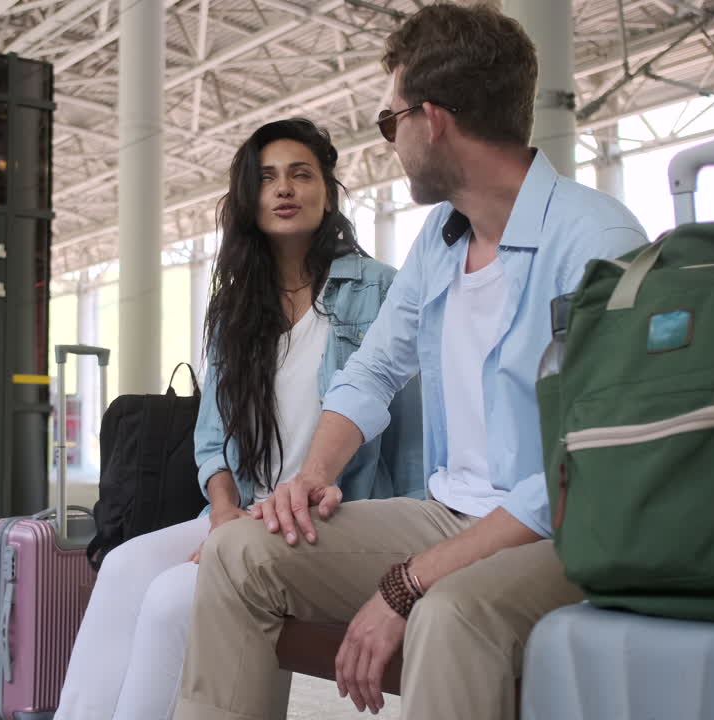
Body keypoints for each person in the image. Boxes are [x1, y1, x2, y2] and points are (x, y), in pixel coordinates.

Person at [173, 5, 650, 720]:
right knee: (240, 552)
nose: (390, 140)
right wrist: (311, 479)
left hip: (562, 530)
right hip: (448, 513)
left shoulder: (594, 240)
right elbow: (372, 371)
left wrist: (407, 583)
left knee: (447, 612)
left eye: (389, 121)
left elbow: (580, 473)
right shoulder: (441, 240)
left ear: (433, 120)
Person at [54, 118, 424, 720]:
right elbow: (211, 440)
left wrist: (408, 560)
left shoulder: (378, 290)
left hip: (328, 520)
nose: (284, 189)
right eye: (268, 178)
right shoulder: (235, 307)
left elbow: (411, 432)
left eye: (301, 174)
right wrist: (223, 512)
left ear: (327, 191)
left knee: (174, 599)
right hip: (240, 512)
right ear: (249, 199)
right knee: (123, 567)